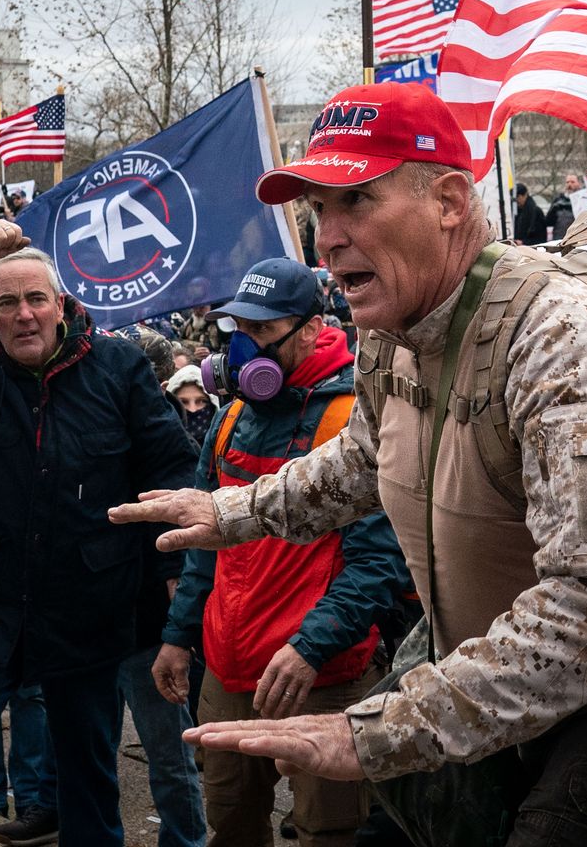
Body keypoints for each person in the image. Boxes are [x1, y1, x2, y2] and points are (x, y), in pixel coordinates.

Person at [112, 82, 587, 847]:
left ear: (451, 201)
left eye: (355, 202)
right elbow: (364, 458)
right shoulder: (394, 324)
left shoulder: (560, 336)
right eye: (318, 210)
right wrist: (230, 514)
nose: (326, 238)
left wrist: (374, 732)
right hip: (498, 666)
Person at [0, 220, 197, 847]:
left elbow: (169, 469)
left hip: (88, 599)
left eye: (35, 299)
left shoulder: (119, 367)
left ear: (61, 305)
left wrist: (171, 570)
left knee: (87, 757)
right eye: (6, 303)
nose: (24, 315)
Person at [155, 258, 412, 847]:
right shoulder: (229, 418)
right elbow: (205, 545)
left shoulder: (354, 419)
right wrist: (179, 636)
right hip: (228, 666)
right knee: (231, 821)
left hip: (320, 672)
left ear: (312, 328)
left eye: (263, 331)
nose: (245, 345)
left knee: (330, 829)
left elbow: (378, 566)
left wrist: (309, 648)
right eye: (237, 329)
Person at [544, 174, 582, 240]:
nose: (569, 184)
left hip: (577, 238)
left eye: (572, 182)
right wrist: (553, 210)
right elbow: (548, 222)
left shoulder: (583, 199)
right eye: (567, 182)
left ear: (579, 184)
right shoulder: (558, 200)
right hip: (559, 238)